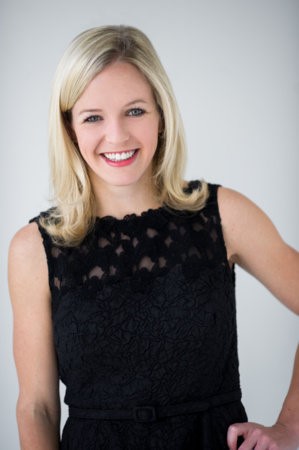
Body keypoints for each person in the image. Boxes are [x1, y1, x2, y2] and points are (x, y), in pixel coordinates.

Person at [8, 25, 299, 450]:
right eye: (93, 117)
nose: (117, 135)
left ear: (161, 115)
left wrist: (290, 426)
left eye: (135, 111)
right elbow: (37, 408)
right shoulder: (33, 249)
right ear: (69, 128)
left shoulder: (224, 215)